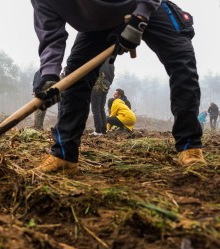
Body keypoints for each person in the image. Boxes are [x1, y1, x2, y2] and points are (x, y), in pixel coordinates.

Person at [31, 0, 206, 174]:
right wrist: (49, 74)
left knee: (182, 62)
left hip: (145, 5)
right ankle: (64, 156)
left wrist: (140, 17)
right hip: (98, 24)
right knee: (75, 77)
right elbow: (50, 34)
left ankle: (189, 146)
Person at [91, 58, 115, 135]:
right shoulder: (110, 60)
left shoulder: (97, 57)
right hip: (106, 85)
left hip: (97, 84)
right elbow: (112, 75)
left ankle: (98, 130)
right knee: (101, 108)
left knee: (96, 108)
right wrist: (108, 83)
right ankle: (103, 130)